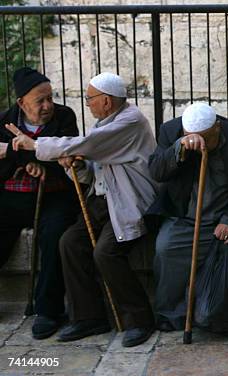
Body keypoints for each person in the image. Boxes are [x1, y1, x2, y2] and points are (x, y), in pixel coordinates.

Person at [10, 72, 160, 347]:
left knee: (106, 252)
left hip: (130, 201)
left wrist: (36, 145)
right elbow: (92, 171)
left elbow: (88, 145)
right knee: (69, 242)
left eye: (90, 99)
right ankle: (88, 317)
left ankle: (139, 320)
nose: (87, 104)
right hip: (103, 200)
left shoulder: (130, 121)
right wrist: (76, 167)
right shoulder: (105, 122)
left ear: (106, 100)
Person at [147, 102, 228, 333]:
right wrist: (178, 148)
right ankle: (172, 314)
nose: (200, 146)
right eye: (192, 138)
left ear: (218, 127)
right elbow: (156, 172)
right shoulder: (171, 132)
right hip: (185, 218)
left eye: (206, 139)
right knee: (165, 247)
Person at [0, 67, 79, 339]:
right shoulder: (4, 121)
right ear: (22, 103)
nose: (48, 106)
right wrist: (24, 157)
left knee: (54, 236)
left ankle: (49, 309)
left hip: (54, 195)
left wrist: (24, 153)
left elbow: (68, 156)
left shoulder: (65, 117)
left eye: (50, 98)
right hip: (12, 195)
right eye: (40, 101)